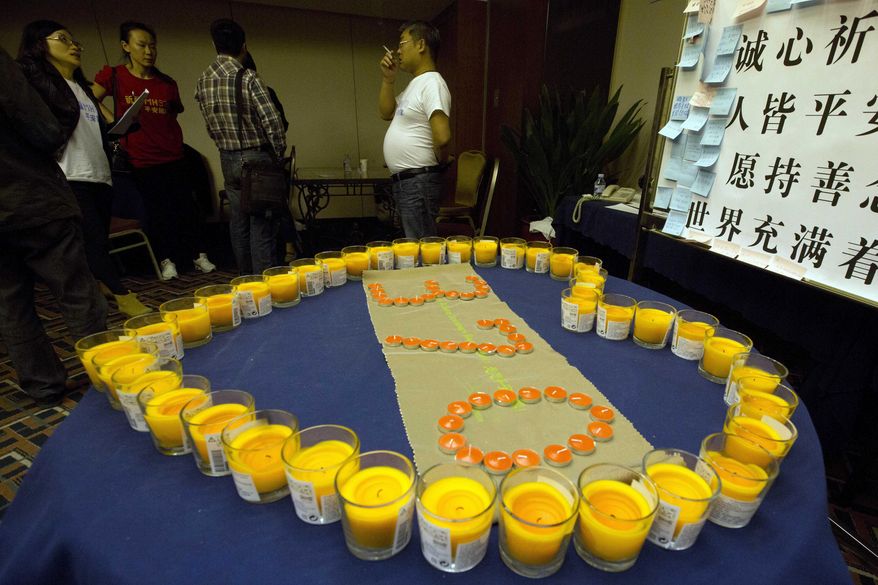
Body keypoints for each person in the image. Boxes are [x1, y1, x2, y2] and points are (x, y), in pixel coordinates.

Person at [17, 20, 151, 317]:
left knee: (98, 242)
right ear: (39, 44)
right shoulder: (37, 85)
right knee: (92, 243)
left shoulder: (82, 87)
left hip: (99, 174)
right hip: (68, 174)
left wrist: (124, 122)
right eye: (63, 39)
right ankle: (122, 294)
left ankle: (99, 289)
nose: (74, 45)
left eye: (75, 40)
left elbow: (103, 127)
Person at [0, 44, 108, 405]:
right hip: (29, 195)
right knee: (76, 291)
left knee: (11, 304)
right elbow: (43, 129)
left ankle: (43, 385)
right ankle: (105, 377)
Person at [93, 21, 216, 280]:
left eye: (152, 46)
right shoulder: (115, 75)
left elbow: (173, 113)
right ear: (126, 46)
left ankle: (198, 255)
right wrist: (111, 120)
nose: (148, 51)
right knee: (156, 212)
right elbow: (90, 97)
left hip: (173, 155)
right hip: (142, 160)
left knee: (186, 208)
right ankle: (166, 260)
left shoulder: (165, 83)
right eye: (141, 45)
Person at [195, 19, 287, 274]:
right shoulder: (247, 78)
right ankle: (265, 284)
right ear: (244, 46)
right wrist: (277, 153)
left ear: (214, 44)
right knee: (261, 224)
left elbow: (209, 125)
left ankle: (245, 281)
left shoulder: (203, 81)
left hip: (228, 158)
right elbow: (272, 121)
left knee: (238, 223)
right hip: (256, 159)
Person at [379, 20, 452, 240]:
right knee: (417, 247)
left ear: (420, 45)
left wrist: (434, 167)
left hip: (418, 182)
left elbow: (443, 136)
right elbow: (386, 112)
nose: (398, 51)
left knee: (421, 250)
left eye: (402, 44)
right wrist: (388, 80)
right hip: (409, 182)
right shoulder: (416, 84)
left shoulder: (432, 83)